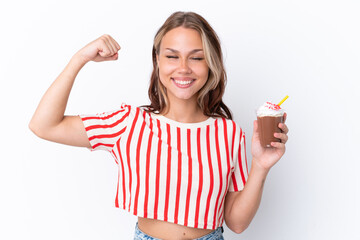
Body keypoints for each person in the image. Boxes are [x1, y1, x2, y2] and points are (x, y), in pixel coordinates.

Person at [29, 11, 289, 240]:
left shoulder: (228, 133)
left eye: (196, 58)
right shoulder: (129, 123)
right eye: (172, 56)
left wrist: (261, 165)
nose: (183, 68)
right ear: (158, 61)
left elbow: (238, 223)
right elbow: (44, 125)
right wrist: (79, 58)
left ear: (211, 64)